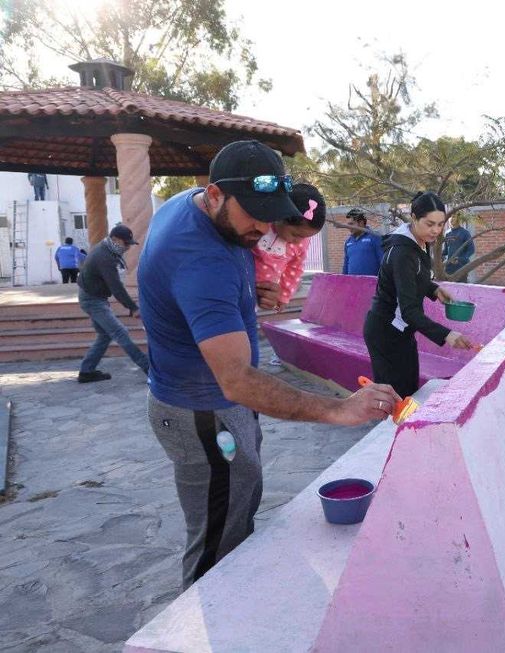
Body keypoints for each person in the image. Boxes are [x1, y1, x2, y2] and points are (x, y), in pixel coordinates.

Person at [138, 140, 399, 590]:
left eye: (270, 211)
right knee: (217, 535)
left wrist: (247, 294)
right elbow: (237, 380)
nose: (263, 227)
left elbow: (204, 289)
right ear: (216, 193)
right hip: (201, 410)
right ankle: (205, 620)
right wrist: (337, 409)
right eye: (254, 213)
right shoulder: (201, 261)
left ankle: (236, 594)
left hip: (216, 403)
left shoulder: (196, 208)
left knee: (241, 495)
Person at [363, 191, 474, 398]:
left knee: (408, 393)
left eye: (440, 224)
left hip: (401, 331)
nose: (436, 230)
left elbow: (412, 278)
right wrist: (447, 335)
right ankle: (389, 430)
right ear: (413, 218)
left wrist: (433, 289)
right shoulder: (403, 253)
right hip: (386, 332)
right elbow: (408, 311)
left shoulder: (418, 241)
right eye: (430, 224)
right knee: (395, 398)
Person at [76, 225, 149, 382]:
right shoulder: (105, 257)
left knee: (104, 335)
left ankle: (86, 372)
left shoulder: (106, 248)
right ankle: (149, 369)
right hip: (92, 300)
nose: (128, 247)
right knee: (120, 332)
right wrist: (133, 307)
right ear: (115, 240)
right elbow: (116, 287)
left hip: (94, 297)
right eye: (126, 243)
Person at [253, 182, 326, 313]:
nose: (298, 242)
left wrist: (283, 296)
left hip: (263, 296)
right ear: (281, 216)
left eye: (304, 237)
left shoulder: (301, 243)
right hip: (241, 284)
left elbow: (295, 268)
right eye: (295, 235)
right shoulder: (261, 223)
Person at [342, 208, 383, 276]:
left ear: (361, 223)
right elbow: (346, 265)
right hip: (353, 284)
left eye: (351, 224)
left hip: (372, 284)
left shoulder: (375, 237)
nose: (348, 227)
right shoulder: (348, 242)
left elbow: (383, 262)